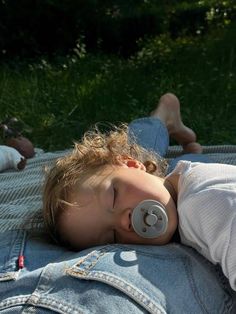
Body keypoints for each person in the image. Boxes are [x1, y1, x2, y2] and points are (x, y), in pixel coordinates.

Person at [42, 93, 236, 292]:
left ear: (132, 163)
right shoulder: (188, 200)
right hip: (176, 182)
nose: (124, 222)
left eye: (114, 196)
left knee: (147, 152)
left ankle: (162, 118)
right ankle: (192, 156)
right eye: (113, 237)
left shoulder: (210, 202)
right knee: (180, 171)